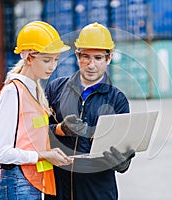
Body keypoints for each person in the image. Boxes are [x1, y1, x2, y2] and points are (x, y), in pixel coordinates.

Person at [0, 21, 74, 200]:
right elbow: (0, 153)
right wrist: (44, 155)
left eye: (56, 60)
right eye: (46, 60)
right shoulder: (13, 92)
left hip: (29, 184)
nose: (52, 66)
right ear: (29, 58)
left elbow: (28, 140)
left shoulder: (33, 92)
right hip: (17, 185)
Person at [44, 22, 135, 200]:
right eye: (85, 56)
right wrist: (59, 129)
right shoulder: (55, 89)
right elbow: (33, 133)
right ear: (77, 56)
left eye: (98, 58)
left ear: (109, 58)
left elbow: (126, 149)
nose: (91, 65)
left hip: (97, 191)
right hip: (58, 190)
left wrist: (123, 162)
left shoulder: (117, 100)